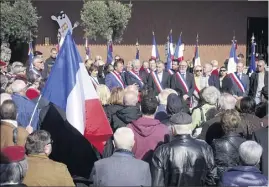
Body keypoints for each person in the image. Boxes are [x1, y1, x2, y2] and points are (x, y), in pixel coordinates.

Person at [151, 112, 216, 186]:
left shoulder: (162, 151)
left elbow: (157, 183)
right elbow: (212, 177)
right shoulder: (205, 147)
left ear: (172, 129)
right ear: (190, 128)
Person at [127, 94, 169, 162]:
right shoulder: (164, 130)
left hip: (134, 169)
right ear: (156, 109)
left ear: (140, 108)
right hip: (155, 170)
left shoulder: (129, 129)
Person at [210, 109, 246, 181]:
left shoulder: (216, 143)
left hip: (223, 180)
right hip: (240, 179)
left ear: (223, 124)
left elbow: (212, 167)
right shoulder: (245, 142)